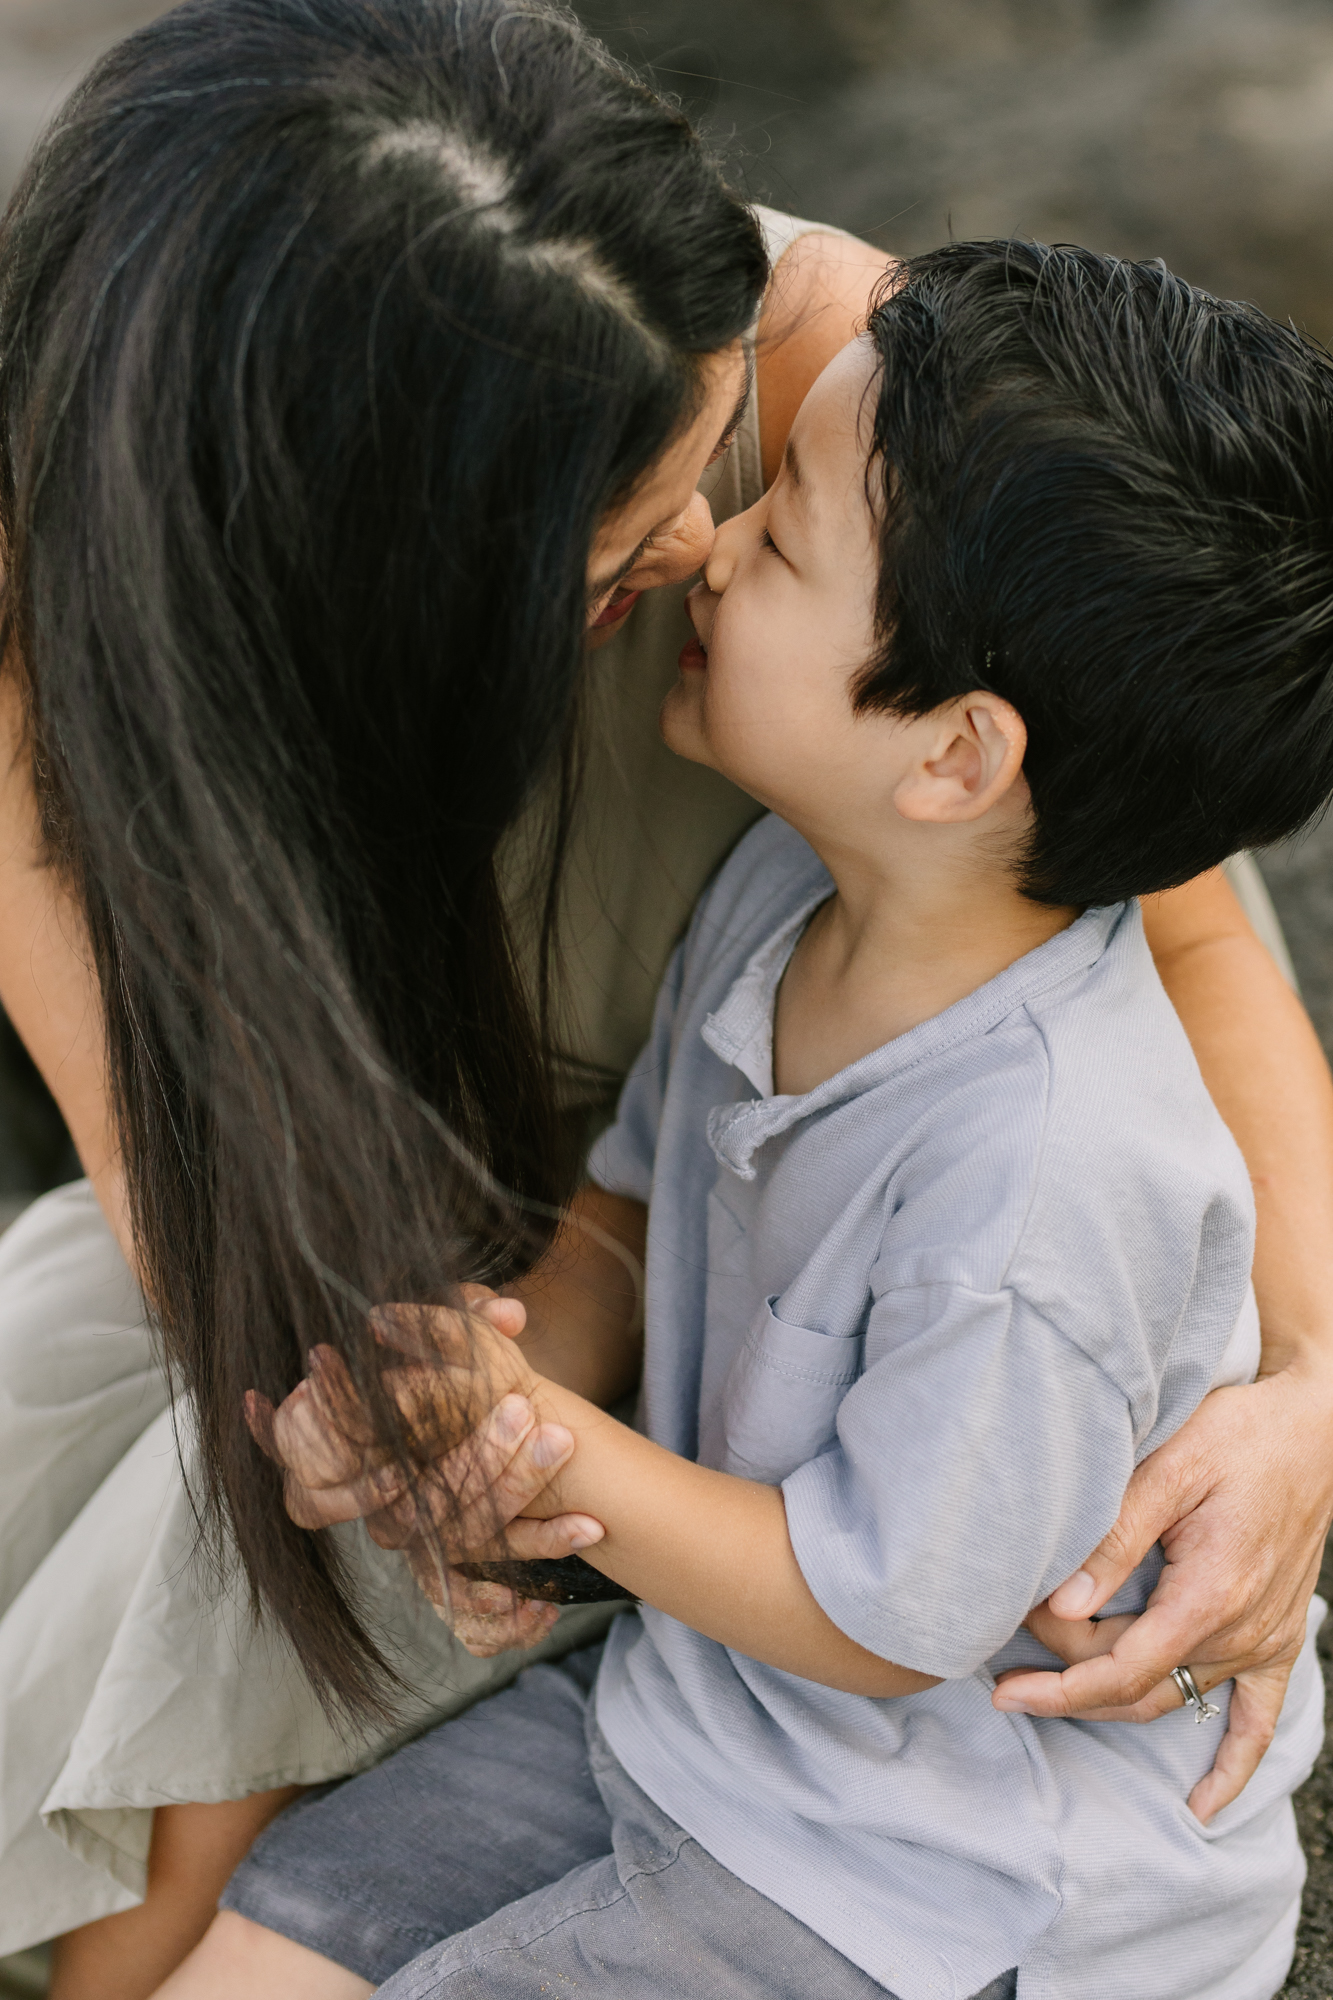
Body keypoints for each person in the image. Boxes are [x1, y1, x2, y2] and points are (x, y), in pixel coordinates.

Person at [0, 0, 1328, 1990]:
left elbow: (1173, 931)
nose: (711, 548)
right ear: (398, 558)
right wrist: (393, 1376)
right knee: (162, 1726)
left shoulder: (873, 411)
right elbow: (205, 1174)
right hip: (526, 1275)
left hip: (842, 1671)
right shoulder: (87, 571)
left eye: (745, 486)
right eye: (646, 533)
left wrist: (1307, 1392)